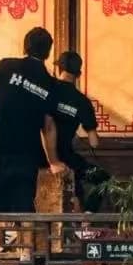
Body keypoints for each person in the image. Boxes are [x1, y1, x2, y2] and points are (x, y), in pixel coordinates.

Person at [0, 26, 63, 214]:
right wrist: (53, 161)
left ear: (25, 47)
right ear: (48, 52)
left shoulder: (6, 65)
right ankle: (11, 243)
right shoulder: (51, 83)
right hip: (26, 156)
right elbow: (49, 126)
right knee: (21, 212)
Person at [51, 51, 107, 210]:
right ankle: (87, 218)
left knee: (77, 187)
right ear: (79, 74)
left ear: (58, 69)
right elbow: (94, 142)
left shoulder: (48, 91)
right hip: (67, 158)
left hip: (37, 155)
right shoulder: (82, 102)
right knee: (102, 178)